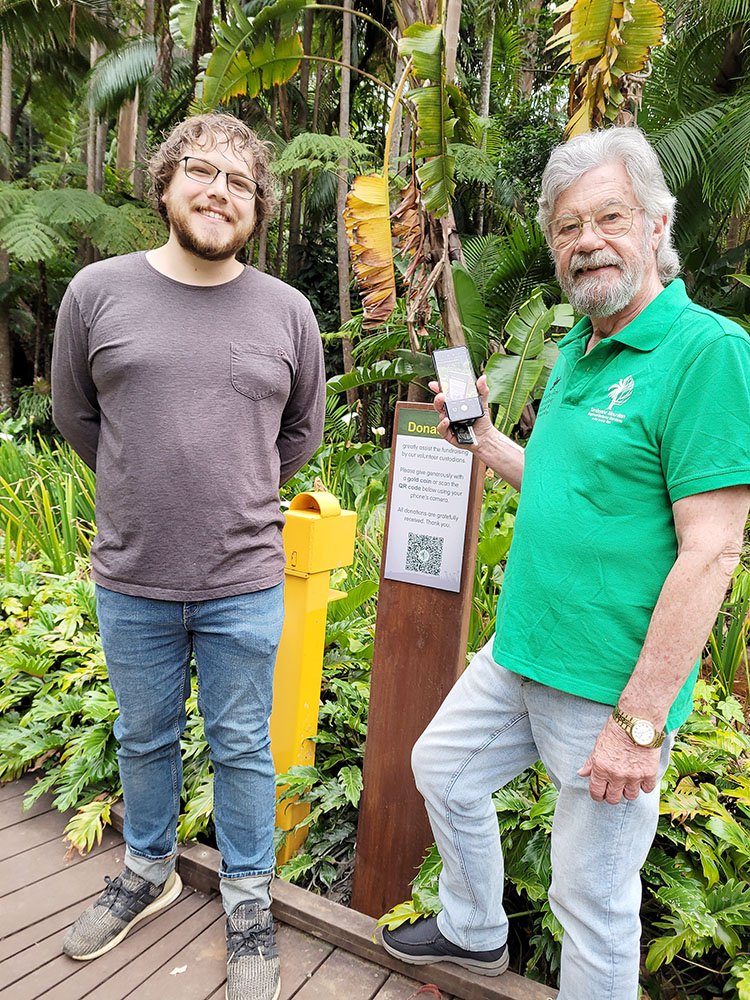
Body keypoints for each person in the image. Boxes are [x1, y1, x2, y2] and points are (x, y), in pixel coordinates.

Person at [381, 127, 750, 999]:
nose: (587, 241)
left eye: (609, 218)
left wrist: (642, 723)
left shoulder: (706, 354)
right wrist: (483, 440)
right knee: (441, 768)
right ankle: (473, 933)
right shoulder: (580, 347)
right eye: (567, 228)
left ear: (658, 223)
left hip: (606, 691)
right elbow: (556, 477)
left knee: (590, 902)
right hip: (518, 656)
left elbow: (713, 549)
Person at [52, 113, 326, 1000]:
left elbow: (299, 433)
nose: (219, 193)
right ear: (165, 184)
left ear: (256, 208)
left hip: (243, 576)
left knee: (244, 743)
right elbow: (75, 415)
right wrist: (144, 488)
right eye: (201, 173)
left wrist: (233, 494)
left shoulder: (287, 311)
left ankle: (248, 896)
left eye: (240, 183)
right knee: (144, 733)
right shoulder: (97, 292)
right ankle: (148, 867)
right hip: (131, 574)